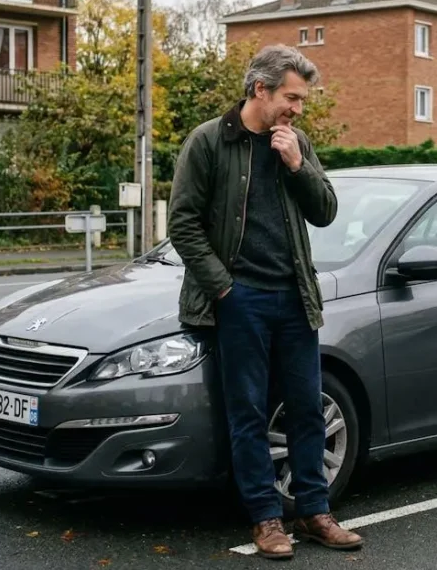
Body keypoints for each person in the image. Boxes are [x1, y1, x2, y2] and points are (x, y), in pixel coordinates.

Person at [167, 44, 360, 559]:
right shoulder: (209, 141)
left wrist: (297, 164)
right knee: (248, 412)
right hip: (241, 299)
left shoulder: (297, 143)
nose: (298, 109)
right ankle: (266, 519)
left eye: (302, 100)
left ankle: (316, 513)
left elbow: (325, 212)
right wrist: (224, 288)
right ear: (260, 89)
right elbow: (182, 224)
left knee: (307, 408)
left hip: (295, 296)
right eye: (291, 98)